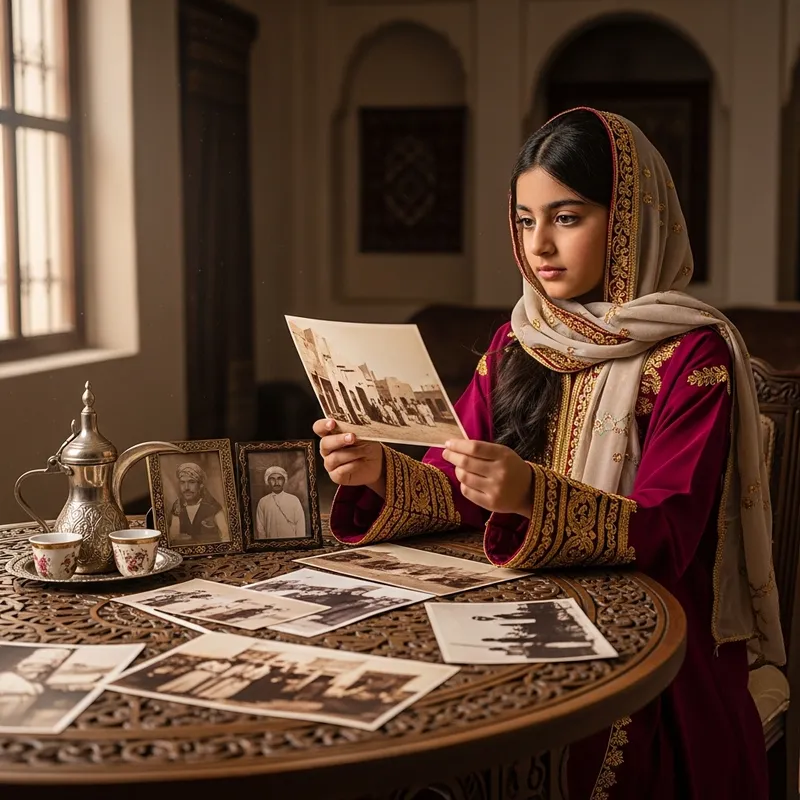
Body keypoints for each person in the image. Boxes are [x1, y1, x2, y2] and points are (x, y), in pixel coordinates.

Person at [313, 108, 784, 799]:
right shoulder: (519, 338)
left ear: (628, 221)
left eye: (567, 218)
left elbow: (668, 532)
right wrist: (382, 472)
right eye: (525, 220)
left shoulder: (690, 356)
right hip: (505, 598)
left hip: (648, 627)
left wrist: (530, 496)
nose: (539, 244)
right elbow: (456, 479)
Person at [168, 462, 229, 544]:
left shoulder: (213, 507)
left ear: (201, 485)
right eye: (182, 482)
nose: (186, 488)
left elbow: (226, 537)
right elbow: (173, 538)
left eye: (192, 482)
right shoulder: (177, 507)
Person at [255, 466, 307, 539]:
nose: (276, 482)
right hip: (271, 543)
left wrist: (299, 542)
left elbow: (300, 525)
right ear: (267, 481)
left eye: (279, 479)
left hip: (291, 542)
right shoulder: (263, 502)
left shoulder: (294, 500)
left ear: (284, 480)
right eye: (272, 479)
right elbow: (260, 529)